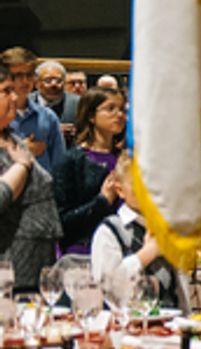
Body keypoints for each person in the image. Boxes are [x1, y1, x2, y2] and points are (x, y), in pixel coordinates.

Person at [90, 152, 190, 311]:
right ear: (120, 190)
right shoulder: (109, 231)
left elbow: (179, 286)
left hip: (169, 326)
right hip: (126, 328)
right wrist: (145, 255)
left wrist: (186, 319)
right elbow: (108, 288)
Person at [0, 67, 61, 289]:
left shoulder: (13, 138)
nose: (15, 97)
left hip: (36, 262)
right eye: (6, 91)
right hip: (10, 268)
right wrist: (22, 165)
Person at [52, 87, 126, 254]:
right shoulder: (71, 160)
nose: (119, 115)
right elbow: (62, 222)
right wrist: (102, 201)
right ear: (91, 116)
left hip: (123, 248)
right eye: (110, 109)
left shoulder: (126, 159)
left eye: (122, 109)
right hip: (83, 252)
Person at [1, 47, 66, 174]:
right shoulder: (2, 117)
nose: (25, 81)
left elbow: (59, 165)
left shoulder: (47, 116)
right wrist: (23, 149)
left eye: (29, 74)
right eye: (18, 75)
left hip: (42, 191)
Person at [32, 60, 79, 143]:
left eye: (59, 80)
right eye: (48, 80)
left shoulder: (78, 103)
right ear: (36, 83)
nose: (54, 84)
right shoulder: (25, 102)